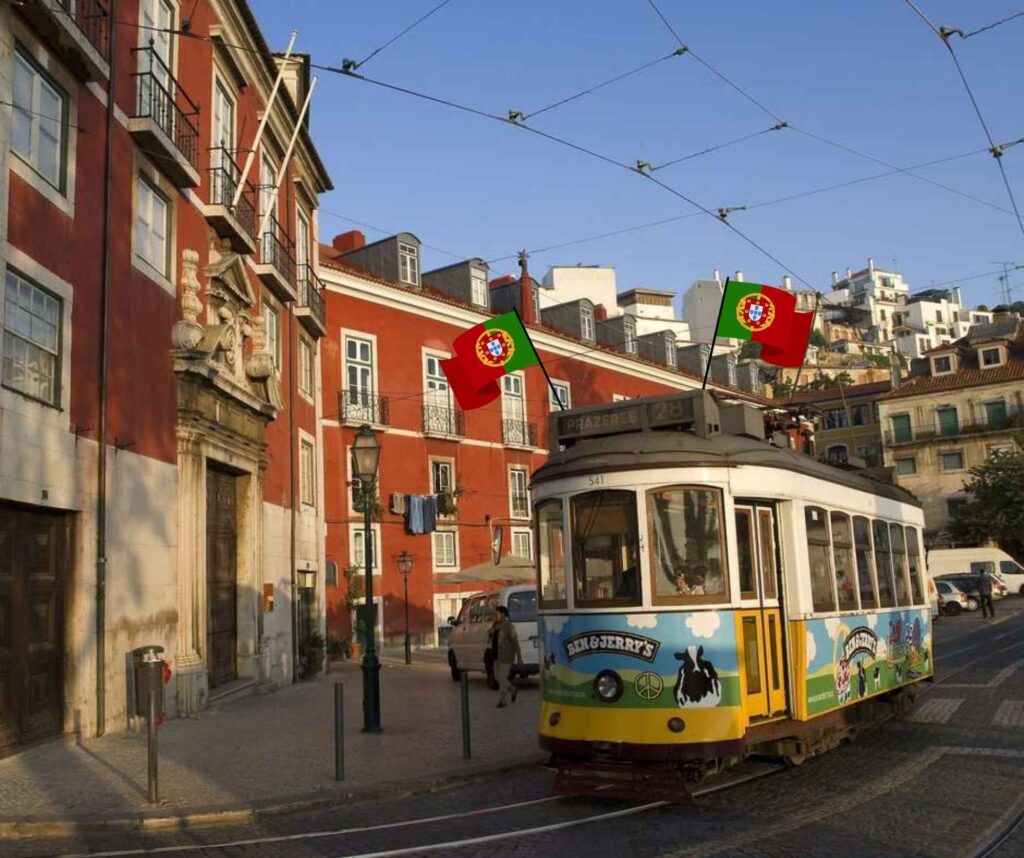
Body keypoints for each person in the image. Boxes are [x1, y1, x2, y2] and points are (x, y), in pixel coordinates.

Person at [493, 605, 523, 708]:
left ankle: (503, 700)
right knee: (497, 677)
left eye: (497, 613)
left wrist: (519, 657)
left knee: (502, 678)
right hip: (496, 655)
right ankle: (513, 690)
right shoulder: (496, 625)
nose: (496, 615)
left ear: (503, 614)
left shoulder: (509, 627)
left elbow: (515, 643)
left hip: (506, 656)